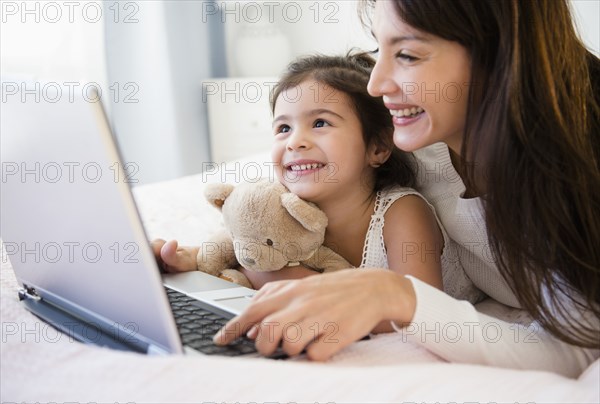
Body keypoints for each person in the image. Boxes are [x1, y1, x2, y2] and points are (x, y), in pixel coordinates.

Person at [212, 0, 600, 377]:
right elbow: (289, 192)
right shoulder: (412, 135)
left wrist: (397, 296)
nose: (377, 84)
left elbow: (573, 348)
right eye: (380, 48)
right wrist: (217, 253)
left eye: (408, 56)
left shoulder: (574, 176)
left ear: (498, 57)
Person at [153, 51, 483, 333]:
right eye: (283, 128)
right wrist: (190, 259)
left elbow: (416, 313)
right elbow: (239, 243)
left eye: (320, 123)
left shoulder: (403, 213)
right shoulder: (281, 204)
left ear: (378, 147)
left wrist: (271, 274)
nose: (295, 141)